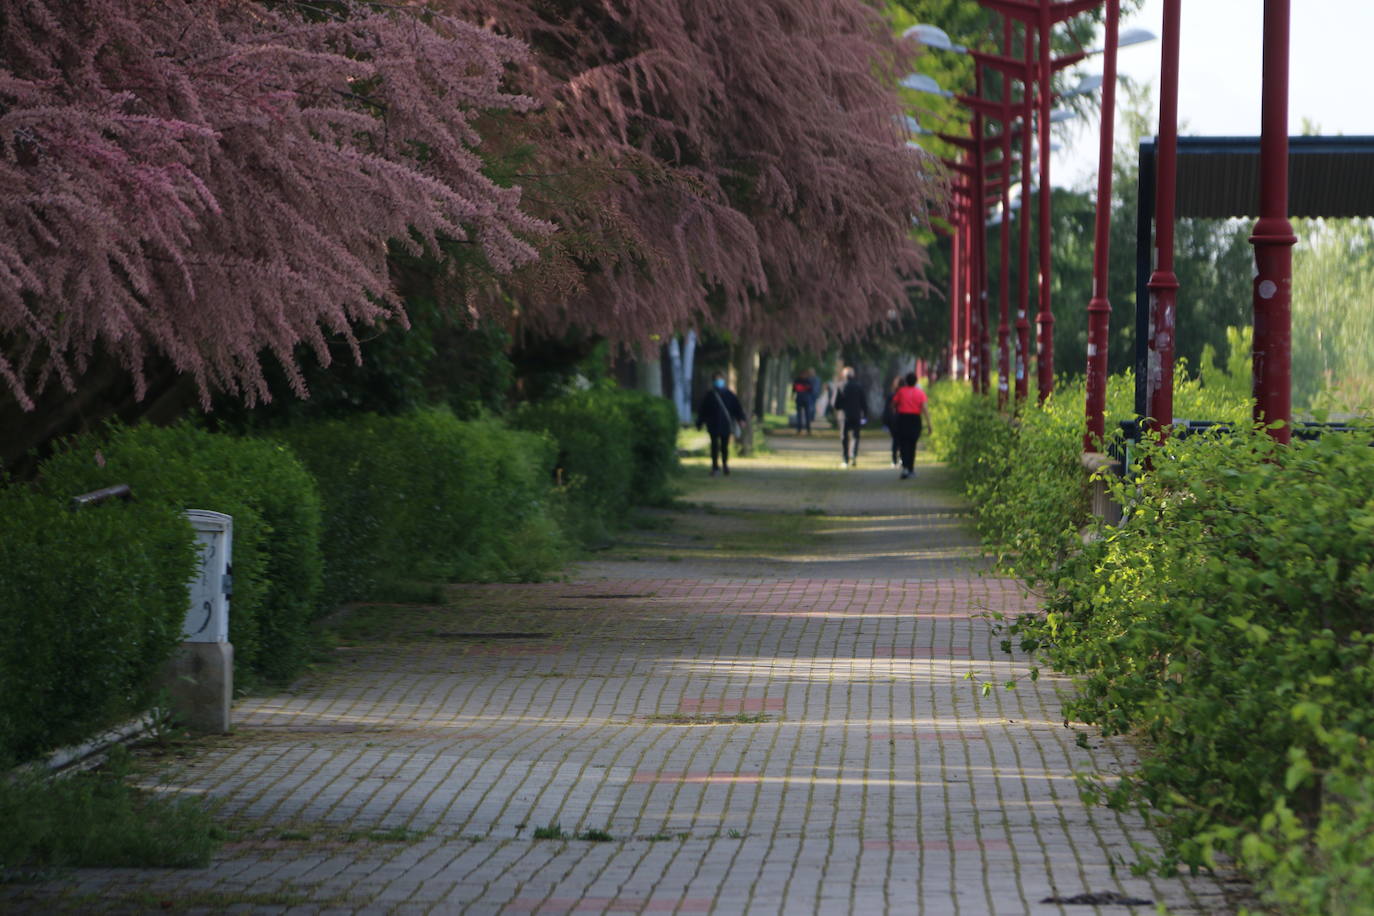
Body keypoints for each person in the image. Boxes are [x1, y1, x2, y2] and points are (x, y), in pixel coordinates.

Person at [696, 371, 748, 476]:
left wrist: (741, 419)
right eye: (716, 379)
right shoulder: (709, 395)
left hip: (725, 425)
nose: (718, 381)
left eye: (720, 379)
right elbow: (703, 410)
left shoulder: (729, 395)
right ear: (714, 381)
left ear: (724, 380)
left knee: (724, 446)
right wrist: (699, 422)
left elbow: (737, 408)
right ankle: (715, 466)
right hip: (713, 424)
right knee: (714, 446)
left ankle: (724, 464)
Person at [891, 371, 930, 480]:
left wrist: (896, 413)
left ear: (906, 381)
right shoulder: (920, 393)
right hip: (915, 419)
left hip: (903, 419)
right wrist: (929, 424)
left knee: (903, 444)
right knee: (913, 444)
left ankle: (905, 468)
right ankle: (911, 469)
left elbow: (894, 404)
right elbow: (925, 409)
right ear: (916, 381)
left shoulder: (900, 392)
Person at [833, 366, 867, 467]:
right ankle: (853, 455)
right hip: (856, 414)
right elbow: (863, 402)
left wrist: (839, 408)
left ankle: (845, 458)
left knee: (844, 437)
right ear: (853, 375)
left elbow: (836, 403)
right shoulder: (859, 386)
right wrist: (865, 414)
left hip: (844, 415)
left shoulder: (840, 386)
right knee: (855, 436)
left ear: (844, 375)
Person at [882, 375, 903, 468]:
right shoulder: (904, 394)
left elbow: (887, 409)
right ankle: (901, 459)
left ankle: (894, 460)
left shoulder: (891, 395)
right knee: (902, 441)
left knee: (895, 441)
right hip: (903, 419)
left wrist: (886, 422)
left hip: (893, 421)